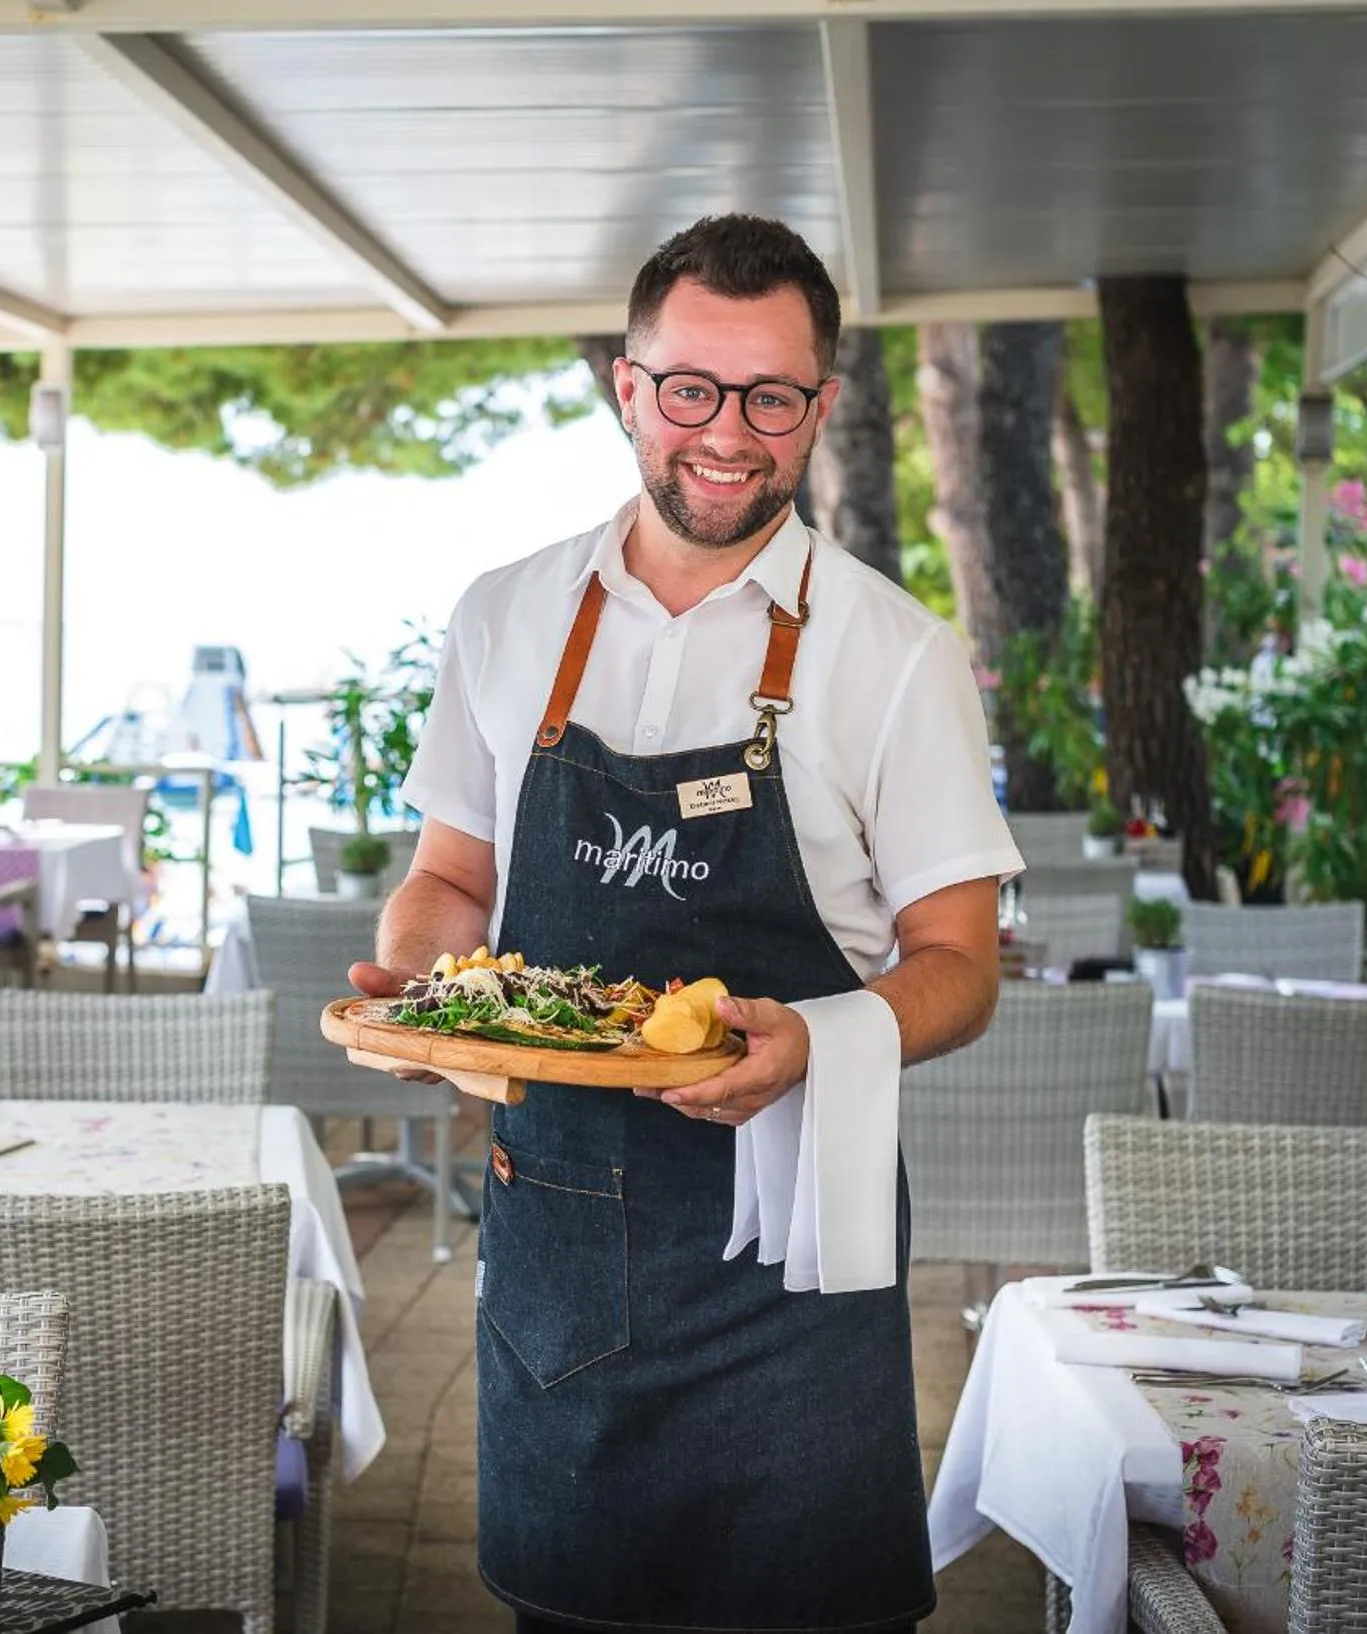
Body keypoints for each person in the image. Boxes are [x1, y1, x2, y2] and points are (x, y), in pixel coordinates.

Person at [356, 214, 1024, 1633]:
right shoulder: (503, 615)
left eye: (769, 395)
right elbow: (449, 877)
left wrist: (817, 1039)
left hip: (789, 1269)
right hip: (559, 1250)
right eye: (689, 389)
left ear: (819, 407)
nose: (727, 432)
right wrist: (418, 982)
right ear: (625, 387)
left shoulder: (891, 653)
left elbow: (963, 967)